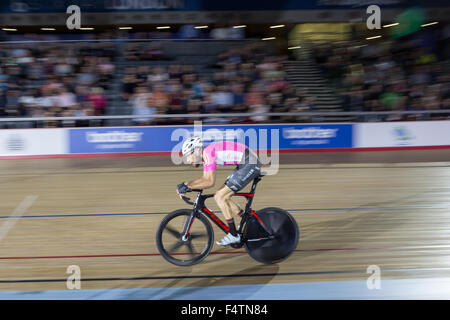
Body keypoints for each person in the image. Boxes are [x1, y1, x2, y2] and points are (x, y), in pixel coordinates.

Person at [176, 136, 261, 246]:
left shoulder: (207, 152)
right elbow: (205, 179)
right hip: (245, 162)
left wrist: (188, 186)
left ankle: (233, 235)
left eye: (188, 155)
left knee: (220, 196)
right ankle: (248, 219)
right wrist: (187, 184)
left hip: (249, 162)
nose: (188, 160)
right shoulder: (206, 155)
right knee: (222, 195)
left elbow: (210, 182)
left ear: (197, 150)